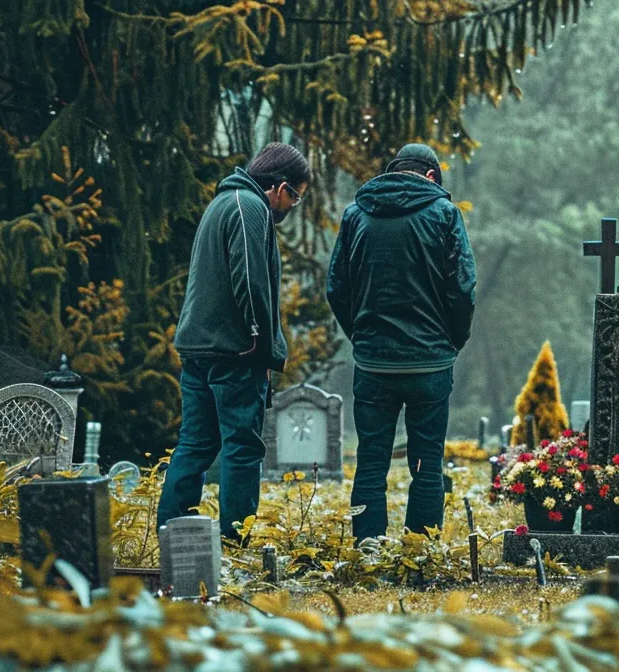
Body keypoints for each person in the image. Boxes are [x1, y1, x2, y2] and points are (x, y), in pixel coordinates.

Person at [161, 142, 312, 540]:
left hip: (198, 347)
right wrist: (261, 344)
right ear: (279, 187)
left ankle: (172, 536)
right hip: (233, 352)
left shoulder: (223, 202)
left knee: (193, 445)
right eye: (294, 196)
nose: (291, 206)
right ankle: (235, 540)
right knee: (242, 449)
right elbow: (251, 281)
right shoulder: (250, 208)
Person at [328, 144, 477, 540]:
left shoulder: (356, 216)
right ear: (430, 176)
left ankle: (368, 546)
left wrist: (360, 336)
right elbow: (463, 289)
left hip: (373, 363)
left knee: (371, 460)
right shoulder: (445, 215)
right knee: (428, 462)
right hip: (430, 362)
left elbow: (336, 289)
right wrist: (452, 342)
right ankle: (421, 549)